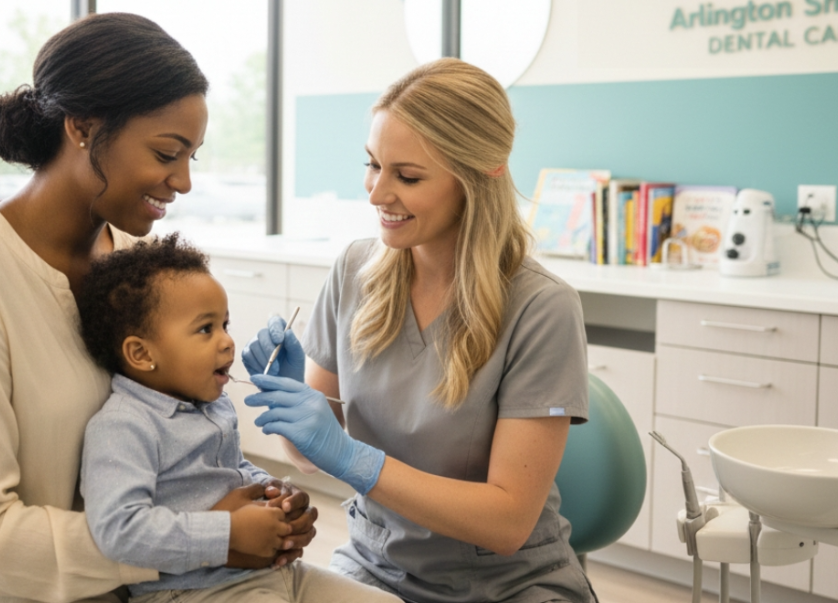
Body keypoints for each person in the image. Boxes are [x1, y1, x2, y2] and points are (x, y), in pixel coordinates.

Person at [0, 13, 314, 603]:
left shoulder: (136, 270)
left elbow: (177, 443)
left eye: (191, 157)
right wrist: (210, 538)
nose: (184, 182)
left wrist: (265, 505)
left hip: (154, 581)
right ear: (84, 128)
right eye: (167, 152)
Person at [242, 58, 598, 603]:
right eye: (373, 165)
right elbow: (310, 454)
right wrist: (292, 403)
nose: (376, 193)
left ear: (482, 172)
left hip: (508, 585)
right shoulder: (355, 271)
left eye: (407, 177)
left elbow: (507, 523)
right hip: (375, 565)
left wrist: (354, 459)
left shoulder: (542, 308)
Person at [75, 234, 400, 603]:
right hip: (191, 592)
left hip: (273, 574)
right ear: (141, 353)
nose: (227, 342)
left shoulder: (213, 406)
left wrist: (273, 491)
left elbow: (232, 470)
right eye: (205, 328)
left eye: (225, 325)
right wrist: (228, 533)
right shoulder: (123, 426)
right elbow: (119, 531)